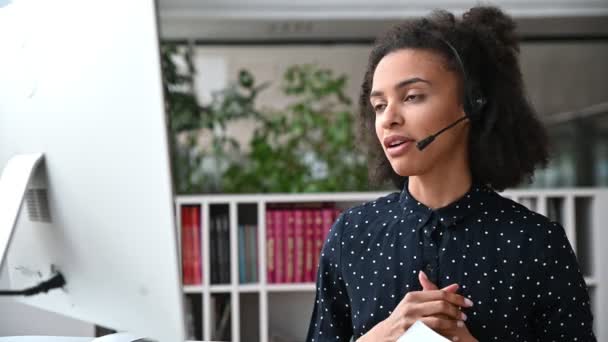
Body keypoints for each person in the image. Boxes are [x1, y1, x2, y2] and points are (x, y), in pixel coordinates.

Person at [305, 5, 596, 342]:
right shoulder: (350, 236)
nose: (388, 119)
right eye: (379, 105)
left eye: (412, 96)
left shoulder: (537, 243)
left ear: (472, 105)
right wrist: (380, 337)